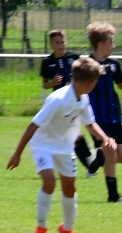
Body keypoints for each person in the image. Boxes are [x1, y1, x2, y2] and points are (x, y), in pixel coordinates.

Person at [8, 57, 117, 233]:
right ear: (90, 83)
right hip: (43, 145)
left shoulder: (83, 99)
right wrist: (17, 154)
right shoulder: (57, 100)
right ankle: (41, 229)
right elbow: (33, 125)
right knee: (49, 183)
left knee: (70, 189)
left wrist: (104, 138)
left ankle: (67, 230)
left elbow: (90, 123)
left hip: (65, 147)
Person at [83, 22, 122, 202]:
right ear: (101, 44)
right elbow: (76, 86)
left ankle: (99, 159)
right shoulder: (87, 65)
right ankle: (113, 195)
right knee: (111, 152)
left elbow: (120, 83)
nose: (114, 46)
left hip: (114, 117)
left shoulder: (113, 65)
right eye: (111, 42)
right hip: (96, 120)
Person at [40, 29, 94, 169]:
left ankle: (89, 162)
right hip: (59, 105)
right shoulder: (47, 62)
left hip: (74, 102)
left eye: (62, 42)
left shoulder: (74, 58)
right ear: (51, 44)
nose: (60, 45)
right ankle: (89, 161)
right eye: (57, 42)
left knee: (74, 135)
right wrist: (52, 83)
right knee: (73, 135)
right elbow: (44, 84)